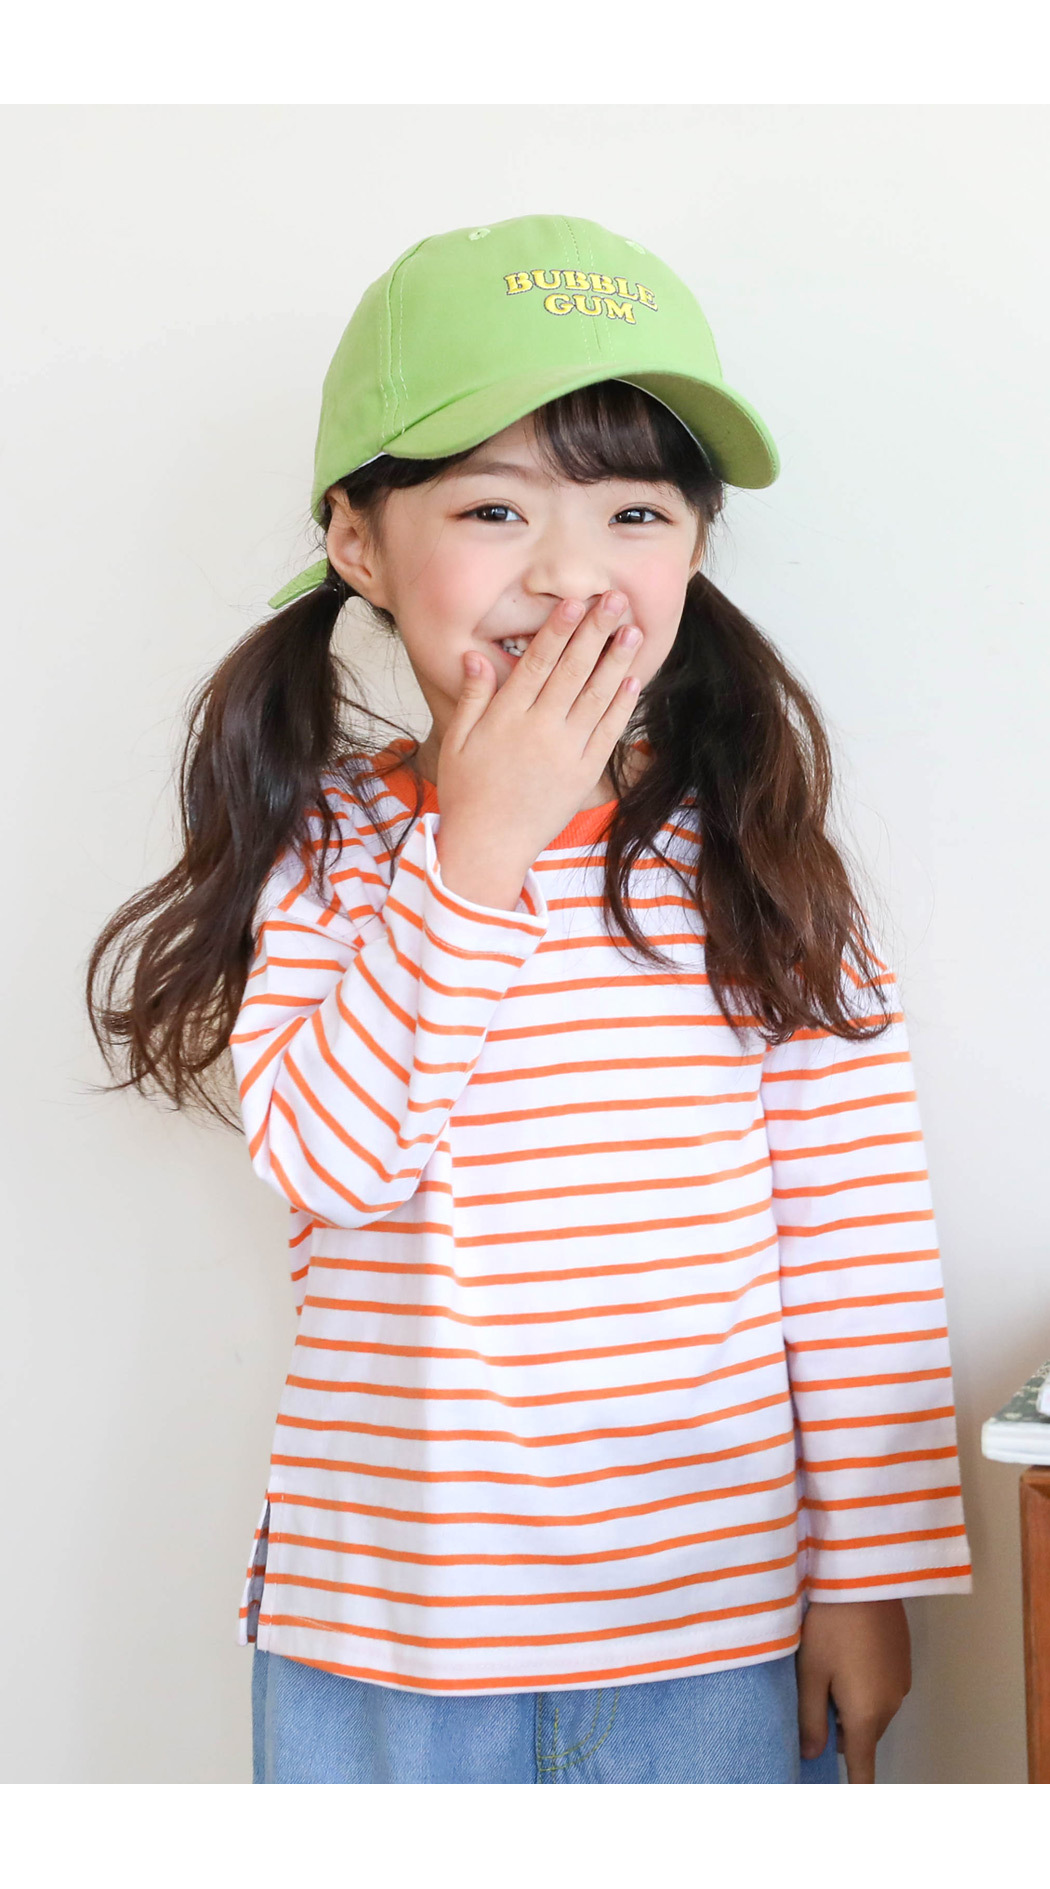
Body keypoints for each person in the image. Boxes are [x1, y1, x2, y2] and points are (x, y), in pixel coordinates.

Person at [85, 211, 973, 1785]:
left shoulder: (754, 858)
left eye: (633, 510)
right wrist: (477, 849)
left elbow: (855, 1251)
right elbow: (330, 1164)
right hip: (386, 1640)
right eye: (494, 507)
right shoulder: (328, 850)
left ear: (692, 550)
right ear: (360, 543)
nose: (568, 574)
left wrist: (864, 1574)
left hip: (714, 1626)